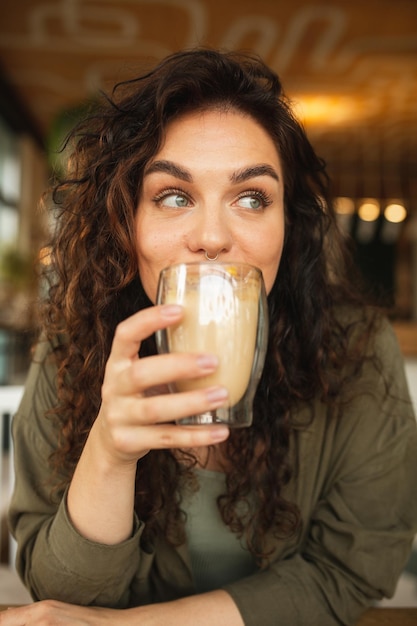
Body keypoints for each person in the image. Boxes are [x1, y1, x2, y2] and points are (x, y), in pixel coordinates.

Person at [3, 48, 417, 626]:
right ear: (128, 224)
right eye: (174, 196)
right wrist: (111, 453)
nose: (213, 236)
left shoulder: (358, 353)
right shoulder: (72, 354)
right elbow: (59, 595)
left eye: (252, 197)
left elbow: (351, 571)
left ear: (286, 228)